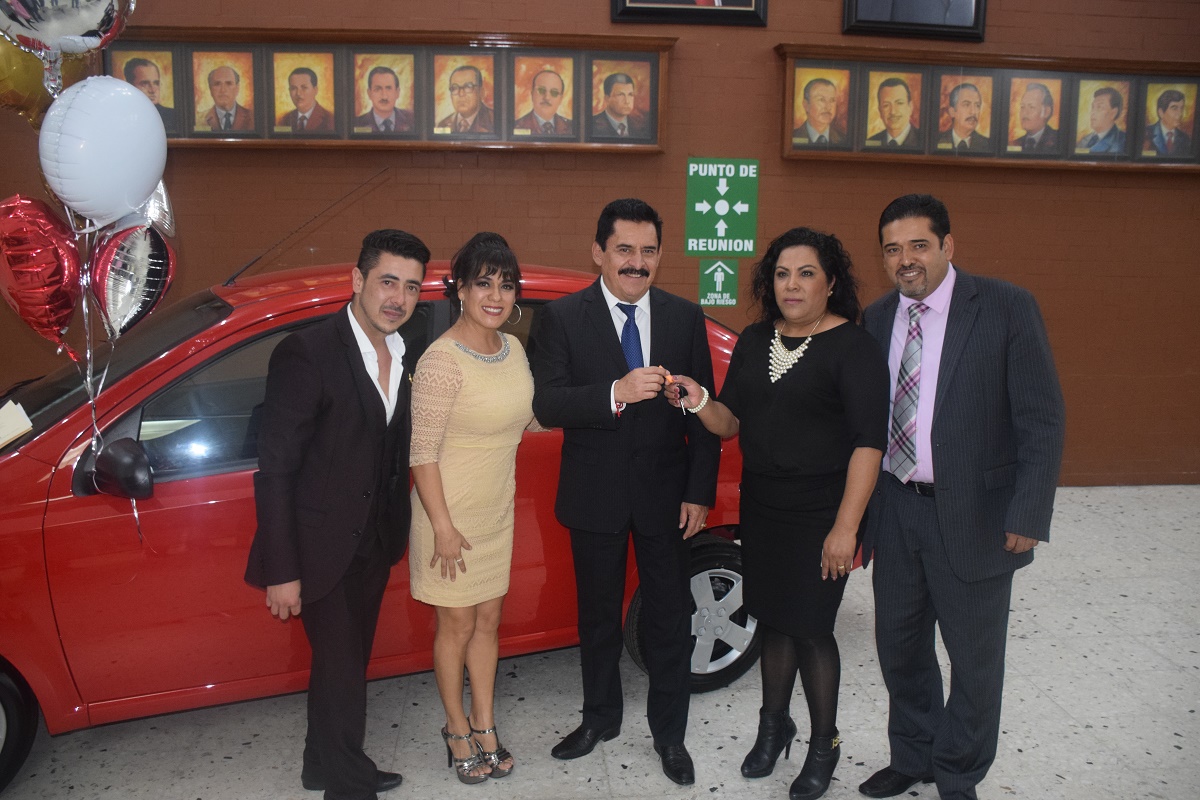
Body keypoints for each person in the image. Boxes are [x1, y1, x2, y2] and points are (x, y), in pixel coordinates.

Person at [667, 228, 888, 800]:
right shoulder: (756, 338)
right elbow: (730, 421)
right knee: (772, 618)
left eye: (806, 273)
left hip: (823, 514)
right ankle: (774, 727)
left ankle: (824, 745)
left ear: (831, 282)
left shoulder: (855, 348)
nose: (792, 285)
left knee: (810, 628)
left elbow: (869, 444)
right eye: (782, 274)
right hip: (764, 507)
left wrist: (846, 528)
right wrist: (698, 400)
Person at [858, 195, 1065, 800]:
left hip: (977, 515)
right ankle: (914, 755)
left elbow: (1042, 418)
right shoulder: (876, 319)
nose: (906, 259)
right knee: (899, 647)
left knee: (974, 661)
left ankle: (957, 772)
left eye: (919, 245)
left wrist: (1028, 511)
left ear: (948, 246)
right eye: (893, 249)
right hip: (896, 508)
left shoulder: (1005, 307)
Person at [528, 198, 720, 787]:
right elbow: (548, 402)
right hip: (595, 494)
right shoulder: (562, 318)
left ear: (659, 255)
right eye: (624, 250)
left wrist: (700, 491)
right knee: (598, 620)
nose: (637, 262)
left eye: (648, 251)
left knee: (670, 618)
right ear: (599, 252)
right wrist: (616, 391)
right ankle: (600, 719)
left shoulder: (684, 316)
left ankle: (670, 735)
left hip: (668, 498)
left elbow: (703, 410)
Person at [245, 229, 431, 800]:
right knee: (344, 671)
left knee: (339, 666)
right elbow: (275, 469)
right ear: (357, 280)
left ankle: (320, 765)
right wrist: (282, 570)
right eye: (388, 282)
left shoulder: (403, 351)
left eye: (411, 287)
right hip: (318, 548)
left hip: (373, 542)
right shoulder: (308, 352)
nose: (398, 298)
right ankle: (349, 786)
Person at [408, 234, 539, 784]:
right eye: (483, 283)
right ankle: (456, 727)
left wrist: (602, 404)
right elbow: (421, 453)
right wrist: (442, 526)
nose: (496, 296)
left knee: (489, 621)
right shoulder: (440, 361)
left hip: (495, 513)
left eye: (506, 285)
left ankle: (485, 722)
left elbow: (527, 418)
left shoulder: (514, 351)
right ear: (459, 288)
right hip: (449, 518)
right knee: (457, 624)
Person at [353, 66, 414, 134]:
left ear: (397, 93)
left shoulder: (413, 119)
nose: (384, 96)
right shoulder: (356, 124)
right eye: (377, 89)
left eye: (388, 88)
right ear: (369, 94)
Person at [513, 69, 574, 136]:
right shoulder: (516, 126)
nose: (547, 97)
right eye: (541, 90)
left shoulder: (572, 127)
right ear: (532, 94)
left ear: (560, 99)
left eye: (554, 92)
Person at [437, 65, 495, 134]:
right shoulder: (443, 125)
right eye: (455, 88)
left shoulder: (495, 121)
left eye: (468, 86)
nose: (461, 94)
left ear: (481, 92)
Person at [867, 77, 922, 150]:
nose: (893, 112)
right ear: (880, 111)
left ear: (910, 107)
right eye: (886, 105)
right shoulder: (871, 142)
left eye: (899, 103)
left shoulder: (923, 140)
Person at [123, 57, 178, 130]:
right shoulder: (122, 116)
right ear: (130, 86)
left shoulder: (173, 116)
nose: (152, 90)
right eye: (145, 83)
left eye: (156, 83)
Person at [937, 83, 991, 151]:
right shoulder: (937, 141)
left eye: (977, 105)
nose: (973, 112)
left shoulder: (988, 145)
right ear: (952, 112)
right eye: (966, 105)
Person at [279, 67, 334, 133]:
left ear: (315, 90)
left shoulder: (330, 120)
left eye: (304, 87)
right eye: (293, 88)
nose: (298, 93)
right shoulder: (284, 120)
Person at [591, 73, 647, 138]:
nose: (627, 101)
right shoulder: (591, 125)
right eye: (620, 95)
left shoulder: (641, 125)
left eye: (630, 94)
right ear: (607, 98)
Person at [202, 65, 254, 132]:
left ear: (237, 89)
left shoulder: (253, 117)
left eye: (229, 83)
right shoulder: (200, 120)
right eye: (217, 84)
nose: (223, 90)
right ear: (210, 89)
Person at [792, 78, 844, 145]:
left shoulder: (843, 139)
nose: (828, 107)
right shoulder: (792, 137)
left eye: (832, 100)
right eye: (821, 100)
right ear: (806, 105)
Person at [1077, 86, 1127, 154]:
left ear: (1113, 113)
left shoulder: (1122, 142)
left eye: (1099, 107)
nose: (1092, 112)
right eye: (1093, 107)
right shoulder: (1085, 140)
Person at [1143, 89, 1192, 156]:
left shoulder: (1185, 139)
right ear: (1161, 112)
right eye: (1174, 108)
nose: (1180, 114)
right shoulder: (1146, 134)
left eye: (1181, 108)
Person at [1012, 82, 1058, 153]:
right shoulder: (1015, 143)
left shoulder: (1058, 140)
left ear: (1046, 112)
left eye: (1031, 107)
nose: (1025, 113)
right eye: (1022, 107)